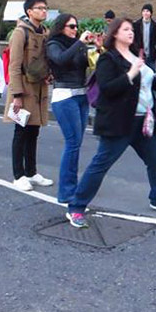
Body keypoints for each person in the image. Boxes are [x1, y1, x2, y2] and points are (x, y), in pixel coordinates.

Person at [66, 18, 156, 229]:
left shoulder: (137, 56)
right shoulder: (108, 59)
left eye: (131, 30)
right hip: (120, 122)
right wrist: (131, 73)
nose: (131, 32)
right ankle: (76, 207)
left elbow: (143, 86)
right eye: (125, 29)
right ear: (115, 33)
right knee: (101, 164)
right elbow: (108, 88)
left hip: (144, 121)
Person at [5, 0, 54, 191]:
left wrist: (48, 74)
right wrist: (16, 95)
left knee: (34, 131)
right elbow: (14, 66)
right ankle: (18, 174)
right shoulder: (20, 33)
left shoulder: (45, 32)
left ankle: (31, 171)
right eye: (40, 8)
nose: (43, 11)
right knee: (21, 131)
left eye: (45, 7)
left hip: (39, 87)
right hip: (23, 89)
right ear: (29, 11)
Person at [47, 13, 96, 202]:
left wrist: (97, 48)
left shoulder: (78, 45)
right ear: (61, 28)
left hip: (81, 96)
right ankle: (66, 192)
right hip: (64, 97)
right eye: (71, 26)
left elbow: (87, 65)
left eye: (77, 26)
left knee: (76, 144)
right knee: (72, 143)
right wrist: (80, 43)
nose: (76, 30)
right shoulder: (53, 44)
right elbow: (60, 60)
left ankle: (72, 187)